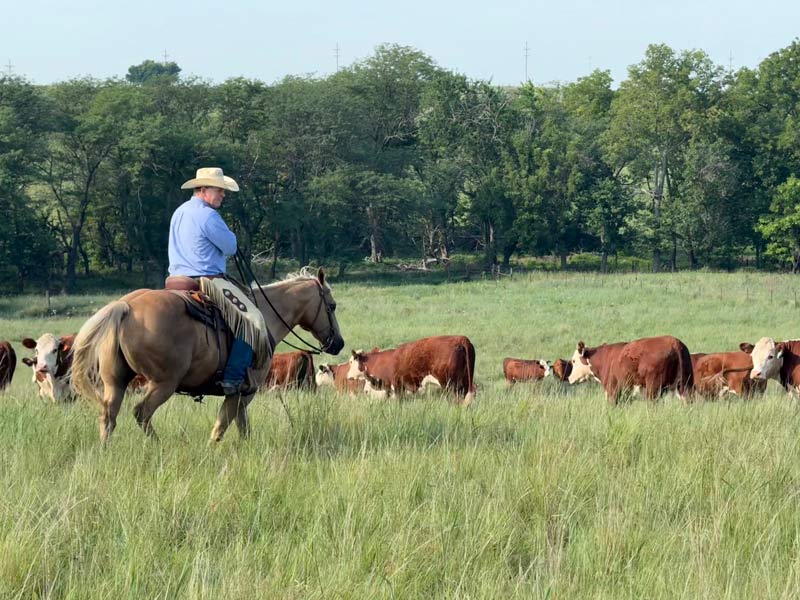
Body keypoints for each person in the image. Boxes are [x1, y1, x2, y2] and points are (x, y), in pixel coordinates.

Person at [168, 167, 254, 396]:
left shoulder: (179, 212)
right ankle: (233, 378)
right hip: (206, 280)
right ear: (204, 189)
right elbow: (230, 247)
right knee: (250, 322)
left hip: (175, 280)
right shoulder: (208, 215)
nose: (223, 195)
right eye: (219, 190)